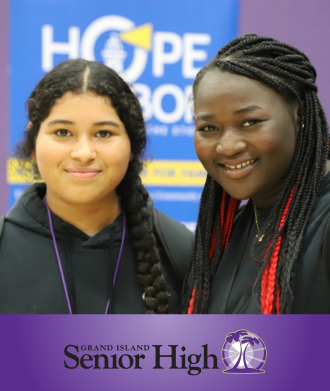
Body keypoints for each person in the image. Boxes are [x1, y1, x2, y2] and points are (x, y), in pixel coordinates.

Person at [0, 58, 193, 314]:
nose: (83, 153)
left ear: (132, 145)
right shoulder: (5, 244)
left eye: (103, 134)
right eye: (62, 132)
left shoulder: (179, 249)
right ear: (34, 141)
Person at [183, 33, 330, 314]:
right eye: (209, 128)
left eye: (250, 122)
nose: (227, 146)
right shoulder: (228, 231)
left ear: (298, 115)